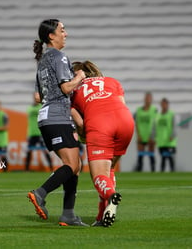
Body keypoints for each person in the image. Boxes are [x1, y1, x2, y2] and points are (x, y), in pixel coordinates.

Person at [27, 19, 88, 226]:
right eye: (62, 30)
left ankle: (68, 214)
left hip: (46, 117)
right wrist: (80, 76)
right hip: (57, 116)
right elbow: (66, 88)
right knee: (72, 164)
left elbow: (37, 96)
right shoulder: (60, 57)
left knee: (75, 166)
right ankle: (40, 193)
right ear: (51, 36)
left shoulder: (43, 60)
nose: (66, 34)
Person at [70, 60, 135, 227]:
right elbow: (121, 104)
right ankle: (101, 216)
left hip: (100, 124)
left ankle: (111, 194)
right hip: (126, 122)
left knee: (98, 175)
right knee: (109, 169)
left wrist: (86, 137)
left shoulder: (73, 91)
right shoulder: (112, 81)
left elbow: (81, 124)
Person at [25, 94, 53, 171]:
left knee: (44, 151)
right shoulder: (29, 108)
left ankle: (51, 168)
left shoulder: (42, 107)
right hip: (31, 133)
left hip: (40, 133)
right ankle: (26, 169)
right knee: (29, 151)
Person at [135, 92, 157, 172]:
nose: (148, 99)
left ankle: (153, 170)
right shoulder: (139, 110)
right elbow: (137, 123)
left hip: (150, 136)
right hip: (141, 135)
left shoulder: (154, 110)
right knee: (140, 155)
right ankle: (139, 171)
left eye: (149, 98)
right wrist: (138, 135)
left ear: (151, 99)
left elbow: (155, 123)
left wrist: (153, 136)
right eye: (147, 98)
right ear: (144, 99)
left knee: (151, 154)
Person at [156, 98, 177, 172]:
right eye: (162, 104)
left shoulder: (171, 114)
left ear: (167, 105)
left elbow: (174, 126)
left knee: (170, 157)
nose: (164, 105)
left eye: (165, 104)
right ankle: (162, 174)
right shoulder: (158, 115)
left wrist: (173, 135)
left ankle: (173, 173)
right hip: (161, 141)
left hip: (170, 141)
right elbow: (155, 127)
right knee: (163, 158)